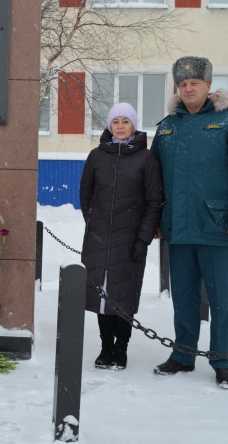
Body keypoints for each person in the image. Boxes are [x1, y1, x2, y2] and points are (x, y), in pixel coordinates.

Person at [151, 56, 228, 388]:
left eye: (194, 83)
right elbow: (154, 179)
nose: (188, 89)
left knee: (220, 299)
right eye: (183, 84)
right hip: (179, 227)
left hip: (219, 226)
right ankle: (183, 355)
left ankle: (223, 361)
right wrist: (157, 220)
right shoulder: (167, 126)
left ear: (208, 86)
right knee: (183, 297)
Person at [79, 103, 163, 370]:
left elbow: (154, 201)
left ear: (134, 125)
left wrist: (143, 238)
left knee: (123, 295)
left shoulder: (146, 159)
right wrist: (93, 224)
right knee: (102, 297)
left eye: (126, 121)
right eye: (116, 121)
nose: (120, 126)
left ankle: (121, 348)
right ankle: (105, 347)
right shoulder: (97, 156)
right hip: (99, 239)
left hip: (130, 240)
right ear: (109, 125)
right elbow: (86, 195)